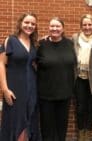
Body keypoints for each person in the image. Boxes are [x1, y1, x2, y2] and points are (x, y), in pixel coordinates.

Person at [0, 12, 41, 141]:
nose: (29, 26)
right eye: (27, 23)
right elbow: (1, 64)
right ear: (20, 23)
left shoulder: (34, 43)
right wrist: (5, 89)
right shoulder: (10, 40)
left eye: (33, 24)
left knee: (30, 119)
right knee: (16, 121)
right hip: (15, 88)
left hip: (32, 87)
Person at [37, 17, 76, 141]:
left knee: (61, 127)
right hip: (46, 94)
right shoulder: (41, 44)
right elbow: (33, 64)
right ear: (48, 28)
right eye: (52, 26)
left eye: (57, 26)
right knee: (47, 128)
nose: (54, 29)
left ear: (63, 29)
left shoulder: (70, 44)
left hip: (65, 93)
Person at [72, 14, 92, 141]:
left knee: (91, 108)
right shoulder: (75, 38)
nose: (87, 27)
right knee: (81, 107)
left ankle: (88, 133)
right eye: (84, 24)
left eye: (89, 24)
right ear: (81, 26)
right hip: (79, 78)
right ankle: (81, 133)